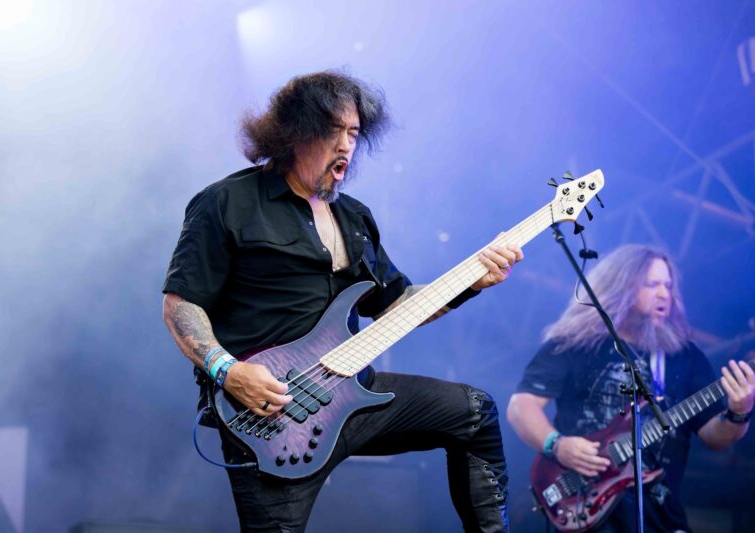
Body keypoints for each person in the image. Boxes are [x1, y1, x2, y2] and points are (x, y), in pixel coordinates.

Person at [162, 70, 524, 533]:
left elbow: (397, 305)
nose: (347, 145)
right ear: (295, 132)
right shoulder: (227, 202)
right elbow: (181, 304)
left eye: (354, 133)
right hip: (274, 415)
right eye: (334, 130)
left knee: (474, 413)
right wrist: (228, 371)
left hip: (353, 395)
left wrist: (472, 281)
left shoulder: (353, 217)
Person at [506, 244, 755, 532]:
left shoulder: (685, 356)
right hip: (584, 503)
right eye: (652, 284)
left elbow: (715, 438)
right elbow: (521, 406)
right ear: (620, 286)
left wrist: (739, 412)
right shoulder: (574, 343)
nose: (664, 294)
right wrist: (557, 445)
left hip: (659, 516)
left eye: (668, 286)